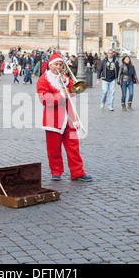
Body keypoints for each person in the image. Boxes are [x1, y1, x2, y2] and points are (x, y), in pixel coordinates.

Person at [36, 52, 92, 182]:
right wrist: (61, 94)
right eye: (56, 64)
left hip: (69, 119)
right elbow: (45, 100)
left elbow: (74, 93)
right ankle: (56, 171)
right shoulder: (43, 79)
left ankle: (77, 172)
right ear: (50, 65)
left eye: (61, 64)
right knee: (53, 149)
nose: (59, 67)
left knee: (74, 147)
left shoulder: (64, 77)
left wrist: (67, 83)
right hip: (53, 120)